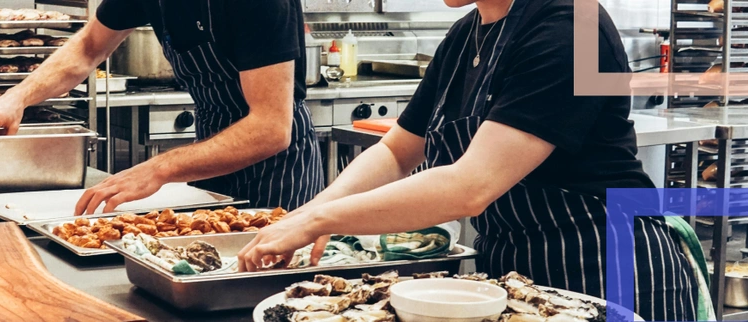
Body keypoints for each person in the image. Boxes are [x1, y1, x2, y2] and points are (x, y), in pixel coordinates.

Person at [236, 0, 697, 321]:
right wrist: (306, 216)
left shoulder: (570, 27)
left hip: (608, 269)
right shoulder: (465, 37)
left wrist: (322, 219)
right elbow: (397, 151)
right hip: (516, 276)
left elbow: (471, 186)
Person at [0, 0, 324, 214]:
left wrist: (158, 168)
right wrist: (18, 96)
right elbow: (89, 47)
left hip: (278, 172)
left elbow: (270, 128)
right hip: (209, 152)